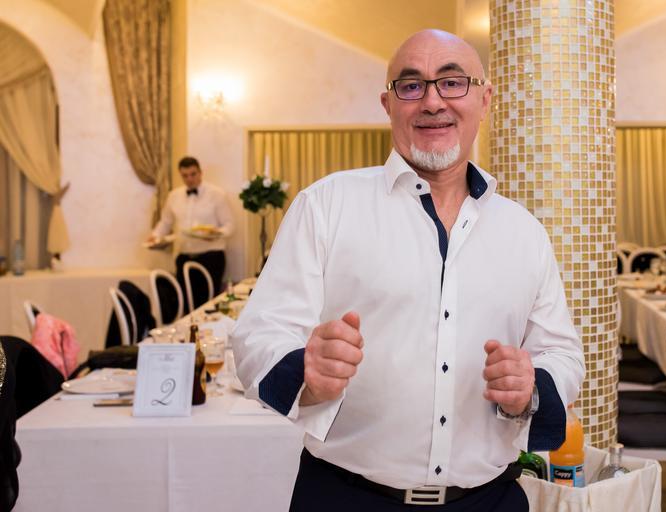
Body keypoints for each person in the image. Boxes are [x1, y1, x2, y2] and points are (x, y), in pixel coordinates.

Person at [232, 30, 584, 511]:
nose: (433, 101)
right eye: (411, 85)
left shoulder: (524, 232)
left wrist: (531, 390)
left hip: (489, 500)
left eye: (452, 82)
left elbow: (562, 353)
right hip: (345, 497)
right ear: (388, 104)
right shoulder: (326, 206)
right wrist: (307, 376)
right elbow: (259, 334)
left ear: (484, 100)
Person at [148, 156, 233, 310]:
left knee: (207, 305)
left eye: (193, 174)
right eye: (185, 176)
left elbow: (229, 226)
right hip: (183, 257)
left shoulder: (217, 195)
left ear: (200, 172)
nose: (189, 179)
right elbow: (165, 222)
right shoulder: (173, 196)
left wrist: (215, 233)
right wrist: (155, 236)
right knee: (186, 305)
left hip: (211, 257)